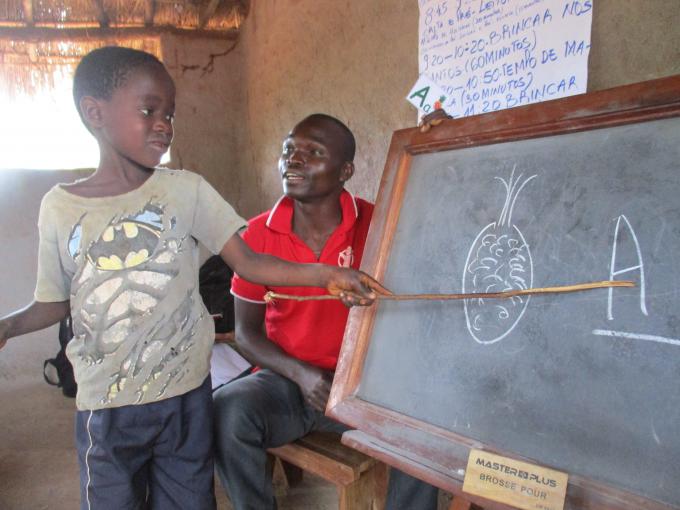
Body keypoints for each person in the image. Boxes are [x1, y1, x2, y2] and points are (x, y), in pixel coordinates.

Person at [0, 47, 383, 510]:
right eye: (149, 110)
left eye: (170, 114)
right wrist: (8, 326)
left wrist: (326, 274)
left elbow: (250, 263)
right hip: (108, 402)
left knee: (189, 501)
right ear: (95, 113)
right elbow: (55, 302)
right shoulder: (61, 208)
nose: (164, 123)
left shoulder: (187, 191)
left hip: (184, 396)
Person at [213, 113, 439, 510]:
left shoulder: (379, 222)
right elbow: (247, 335)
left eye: (313, 152)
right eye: (288, 151)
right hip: (286, 380)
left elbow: (439, 222)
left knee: (423, 423)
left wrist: (442, 147)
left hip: (367, 386)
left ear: (345, 170)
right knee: (227, 412)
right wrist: (302, 374)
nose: (294, 160)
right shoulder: (257, 234)